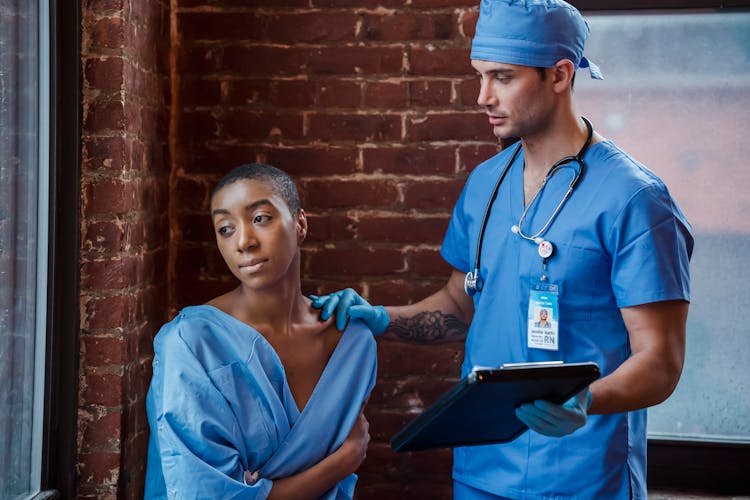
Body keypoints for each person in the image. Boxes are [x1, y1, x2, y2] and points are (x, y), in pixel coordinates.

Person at [311, 1, 694, 498]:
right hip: (481, 471)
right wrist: (379, 318)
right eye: (479, 76)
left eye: (502, 78)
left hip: (583, 479)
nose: (482, 96)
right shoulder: (486, 184)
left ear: (559, 75)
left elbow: (660, 361)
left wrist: (585, 400)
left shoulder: (635, 200)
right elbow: (458, 306)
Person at [145, 163, 377, 499]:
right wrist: (345, 460)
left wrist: (262, 487)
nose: (244, 242)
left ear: (300, 223)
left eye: (260, 218)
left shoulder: (352, 342)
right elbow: (204, 494)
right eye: (225, 228)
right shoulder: (191, 342)